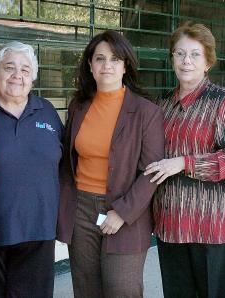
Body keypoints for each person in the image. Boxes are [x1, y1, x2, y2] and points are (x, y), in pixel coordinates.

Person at [57, 30, 164, 297]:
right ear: (90, 66)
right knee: (86, 287)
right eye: (100, 58)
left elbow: (151, 172)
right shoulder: (78, 106)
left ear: (125, 65)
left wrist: (122, 212)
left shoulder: (146, 111)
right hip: (81, 209)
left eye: (115, 59)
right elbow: (68, 159)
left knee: (122, 289)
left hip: (125, 211)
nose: (107, 65)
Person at [144, 22, 225, 298]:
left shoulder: (224, 101)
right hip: (170, 223)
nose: (186, 61)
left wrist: (183, 163)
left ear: (208, 62)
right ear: (172, 59)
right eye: (179, 54)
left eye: (195, 54)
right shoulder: (162, 105)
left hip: (209, 225)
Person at [0, 41, 63, 298]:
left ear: (32, 77)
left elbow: (64, 164)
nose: (17, 76)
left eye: (24, 70)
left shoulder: (47, 111)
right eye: (9, 67)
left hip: (39, 230)